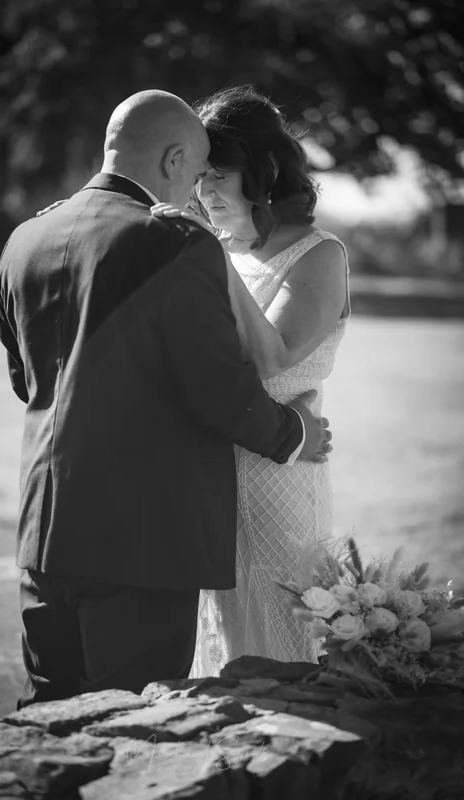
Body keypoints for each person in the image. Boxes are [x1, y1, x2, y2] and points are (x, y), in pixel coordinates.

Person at [0, 89, 331, 706]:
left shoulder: (25, 237)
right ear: (176, 160)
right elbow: (218, 389)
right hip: (143, 541)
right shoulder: (175, 241)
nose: (199, 190)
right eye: (199, 170)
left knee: (47, 711)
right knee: (128, 720)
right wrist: (297, 433)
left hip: (45, 533)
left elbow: (29, 381)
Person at [152, 86, 350, 675]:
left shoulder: (320, 254)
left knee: (284, 627)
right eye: (198, 175)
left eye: (220, 174)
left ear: (262, 171)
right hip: (211, 473)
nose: (203, 191)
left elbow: (274, 356)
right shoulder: (220, 250)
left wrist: (208, 256)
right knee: (221, 629)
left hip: (281, 478)